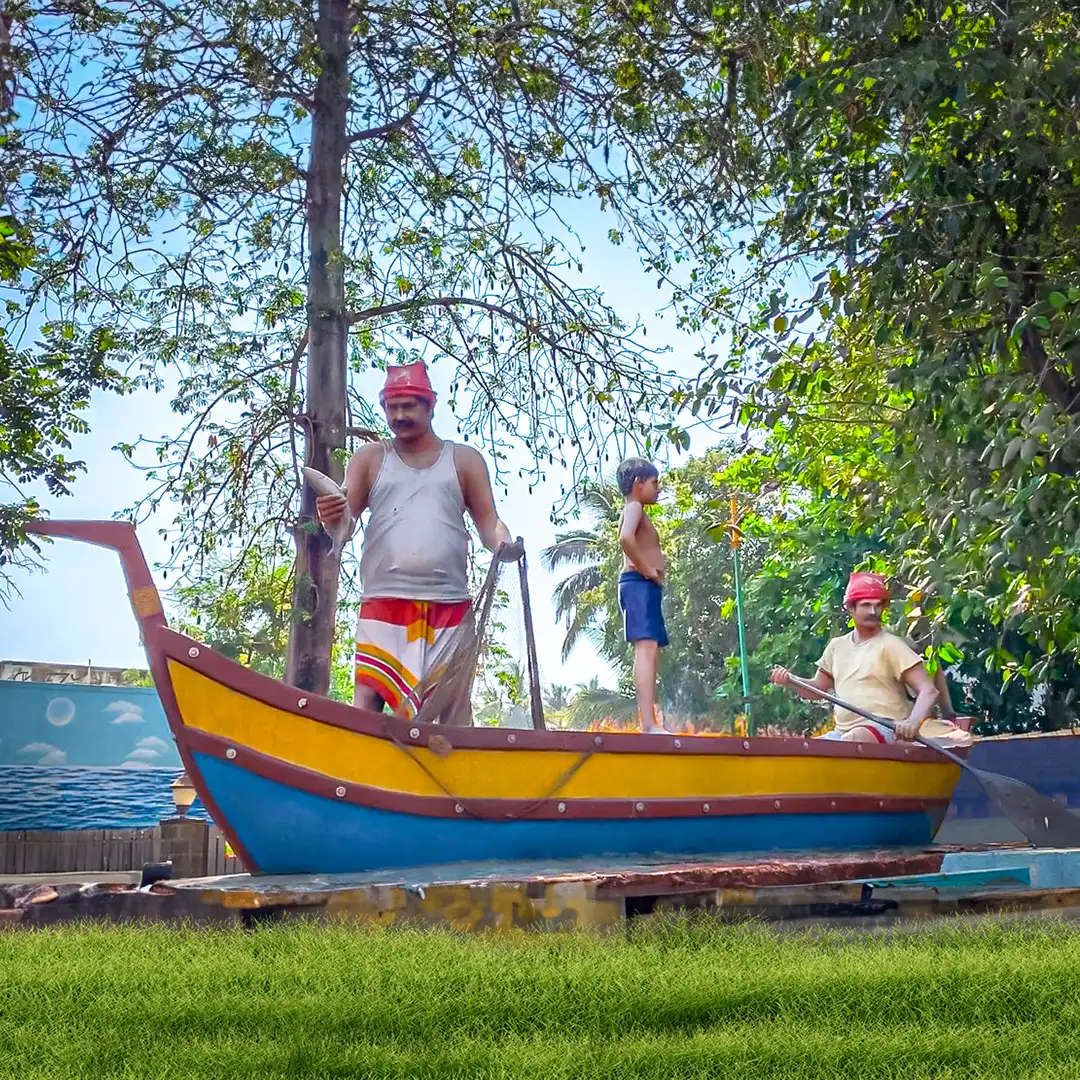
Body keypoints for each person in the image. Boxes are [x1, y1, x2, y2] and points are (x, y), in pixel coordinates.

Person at [315, 362, 516, 721]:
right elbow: (344, 526)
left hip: (448, 602)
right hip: (384, 600)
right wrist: (331, 517)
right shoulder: (370, 459)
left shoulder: (464, 459)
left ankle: (456, 774)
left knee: (454, 706)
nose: (399, 415)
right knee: (369, 697)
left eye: (408, 406)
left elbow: (489, 522)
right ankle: (364, 769)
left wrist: (505, 544)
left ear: (430, 406)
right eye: (392, 407)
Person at [770, 571, 941, 743]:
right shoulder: (836, 646)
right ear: (851, 608)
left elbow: (928, 690)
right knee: (809, 748)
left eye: (878, 605)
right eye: (866, 605)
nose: (873, 611)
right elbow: (816, 690)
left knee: (852, 740)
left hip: (885, 729)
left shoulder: (891, 645)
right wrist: (790, 680)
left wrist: (913, 722)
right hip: (843, 733)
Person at [616, 457, 668, 733]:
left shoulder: (638, 510)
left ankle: (651, 720)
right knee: (645, 651)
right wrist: (648, 569)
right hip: (637, 583)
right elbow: (625, 539)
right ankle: (648, 723)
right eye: (654, 483)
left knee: (651, 651)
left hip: (644, 586)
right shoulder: (634, 506)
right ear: (638, 483)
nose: (657, 489)